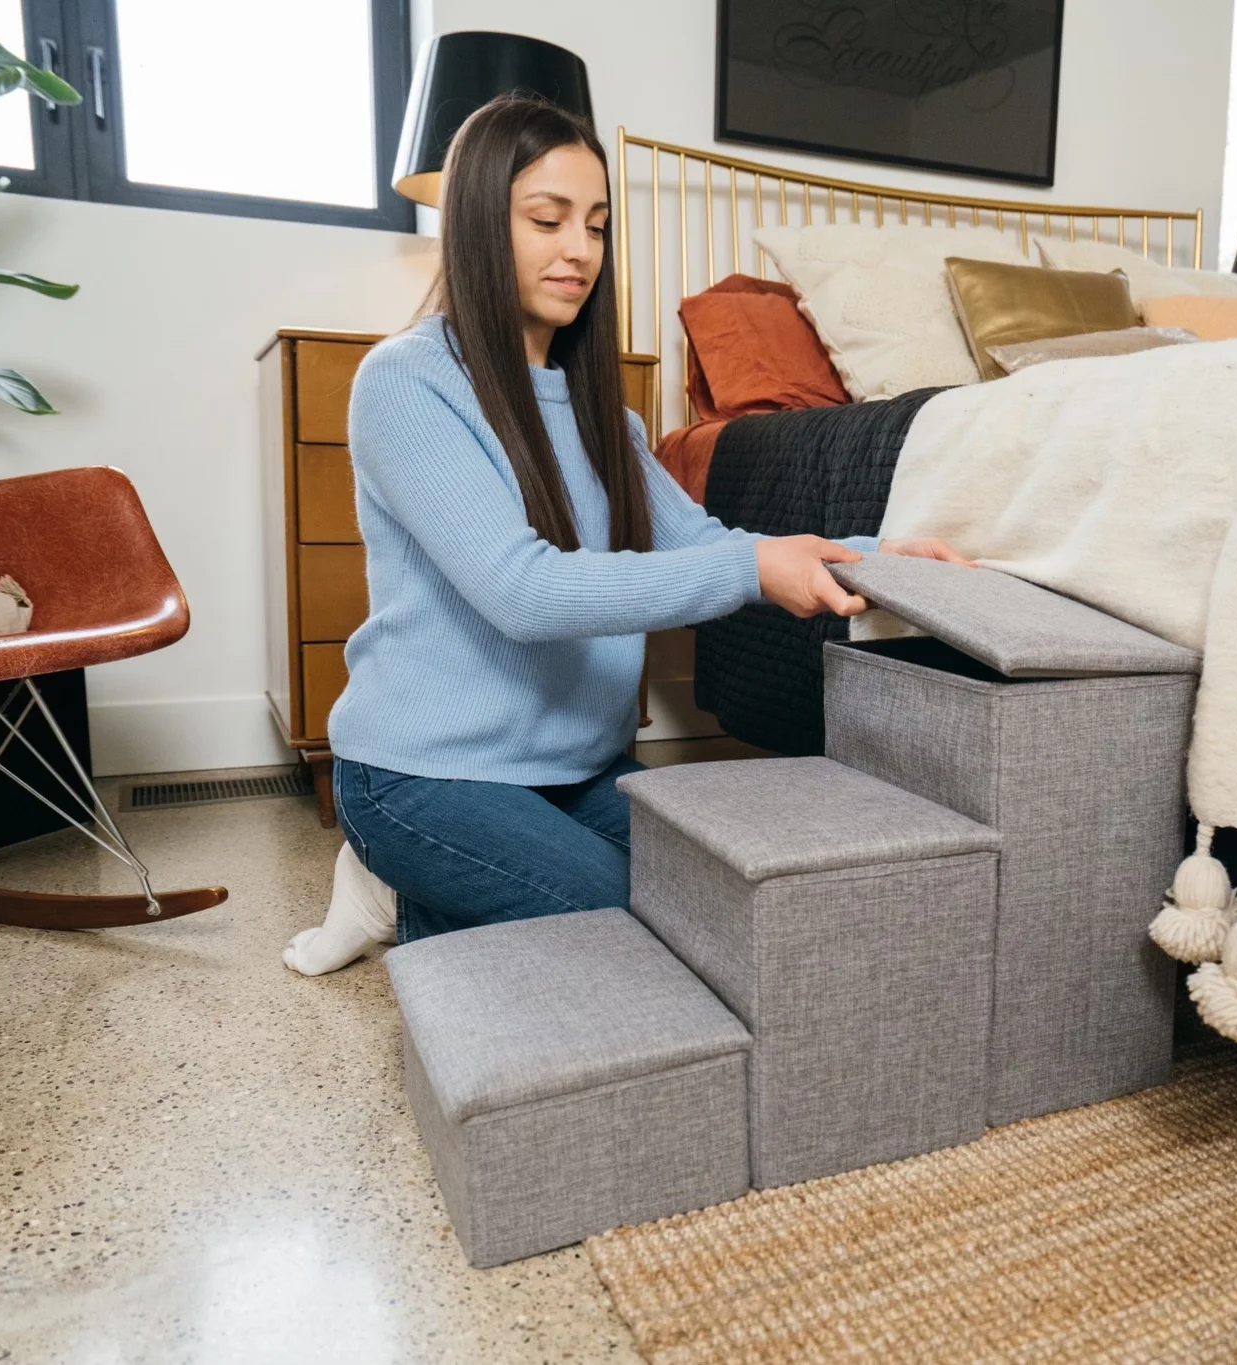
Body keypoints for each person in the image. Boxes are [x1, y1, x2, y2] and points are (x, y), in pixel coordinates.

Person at [284, 96, 965, 975]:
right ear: (477, 225)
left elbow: (701, 540)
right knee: (643, 941)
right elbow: (522, 591)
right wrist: (754, 569)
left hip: (579, 769)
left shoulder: (607, 413)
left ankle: (441, 892)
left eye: (597, 227)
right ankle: (395, 891)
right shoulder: (406, 384)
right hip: (424, 775)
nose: (579, 250)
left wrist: (872, 553)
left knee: (727, 906)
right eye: (547, 219)